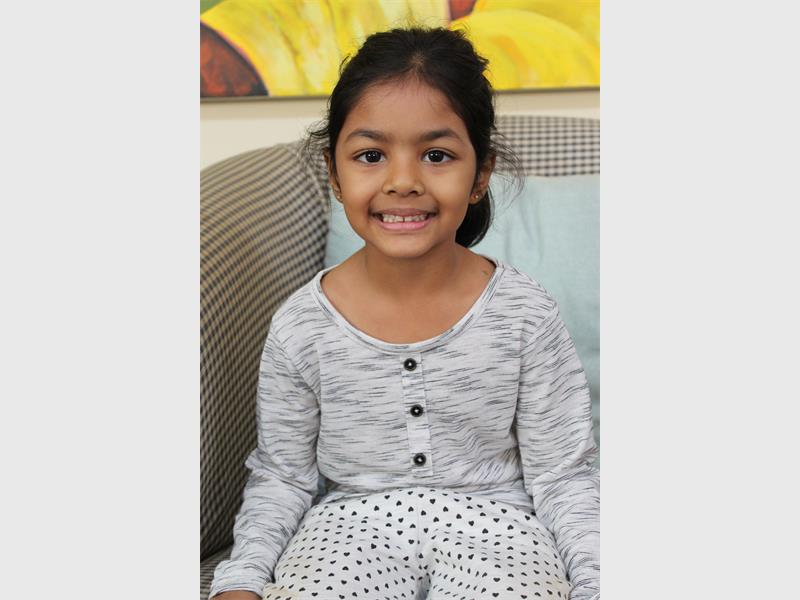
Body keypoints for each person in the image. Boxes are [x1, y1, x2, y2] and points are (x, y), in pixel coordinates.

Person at [209, 26, 599, 600]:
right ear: (335, 173)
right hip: (345, 530)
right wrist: (242, 578)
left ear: (480, 175)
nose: (403, 182)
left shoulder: (526, 312)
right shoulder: (301, 324)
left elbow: (563, 472)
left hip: (501, 529)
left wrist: (596, 578)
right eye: (371, 156)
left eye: (436, 155)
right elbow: (283, 474)